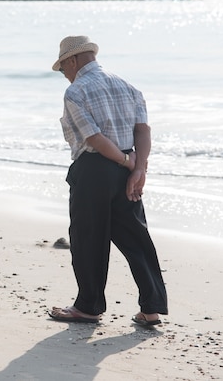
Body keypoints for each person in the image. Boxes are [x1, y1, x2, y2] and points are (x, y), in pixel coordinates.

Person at [48, 36, 168, 326]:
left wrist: (128, 163)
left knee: (89, 239)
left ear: (73, 60)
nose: (64, 74)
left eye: (63, 67)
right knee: (137, 239)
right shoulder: (128, 86)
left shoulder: (76, 92)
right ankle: (151, 309)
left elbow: (95, 139)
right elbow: (143, 131)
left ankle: (88, 308)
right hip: (127, 168)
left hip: (94, 170)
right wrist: (138, 169)